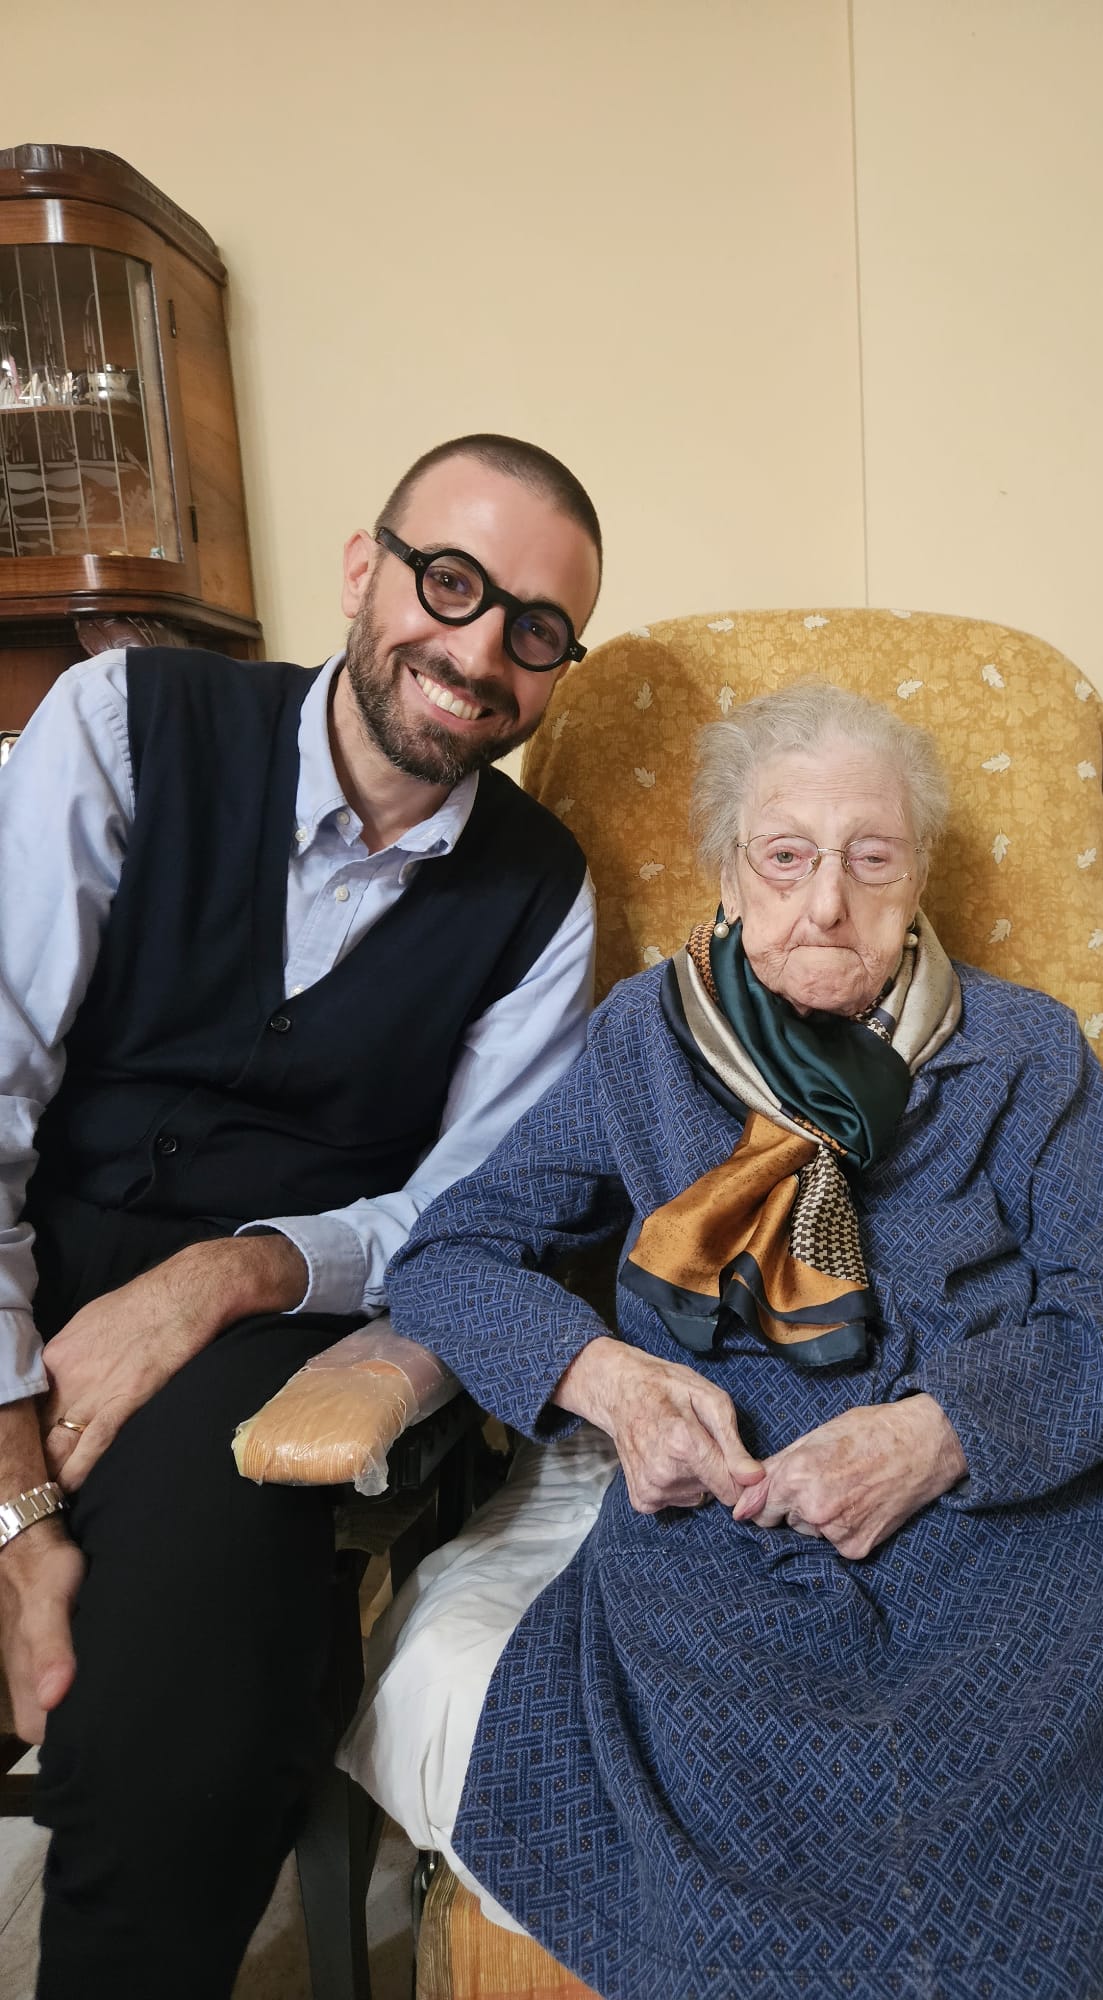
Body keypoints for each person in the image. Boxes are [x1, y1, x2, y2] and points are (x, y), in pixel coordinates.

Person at [376, 682, 1103, 2000]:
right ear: (728, 878)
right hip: (727, 1511)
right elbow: (449, 1255)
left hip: (1010, 1501)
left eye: (871, 859)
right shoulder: (643, 1044)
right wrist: (610, 1381)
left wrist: (942, 1431)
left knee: (1029, 1866)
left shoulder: (1023, 1053)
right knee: (720, 1863)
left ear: (918, 883)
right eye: (785, 857)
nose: (827, 903)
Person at [0, 431, 603, 1997]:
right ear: (364, 567)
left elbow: (477, 1209)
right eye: (451, 582)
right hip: (23, 1252)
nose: (479, 652)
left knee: (187, 1674)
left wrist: (223, 1277)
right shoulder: (126, 722)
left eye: (535, 631)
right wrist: (15, 1479)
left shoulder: (546, 895)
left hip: (276, 1328)